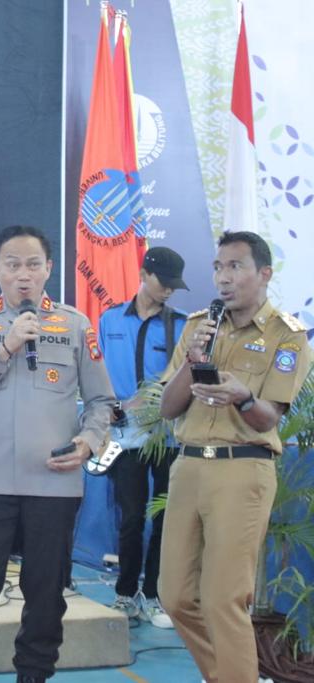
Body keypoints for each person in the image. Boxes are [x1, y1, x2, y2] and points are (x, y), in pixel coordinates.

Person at [0, 225, 115, 683]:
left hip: (53, 485)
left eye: (34, 264)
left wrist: (88, 442)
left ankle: (34, 675)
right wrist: (6, 348)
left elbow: (102, 401)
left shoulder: (75, 325)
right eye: (13, 265)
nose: (24, 275)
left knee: (45, 598)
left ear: (49, 269)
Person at [157, 231, 311, 683]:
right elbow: (168, 408)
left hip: (242, 469)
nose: (223, 278)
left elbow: (267, 419)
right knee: (175, 596)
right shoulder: (198, 326)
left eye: (235, 267)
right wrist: (193, 360)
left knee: (224, 599)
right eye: (218, 267)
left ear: (264, 274)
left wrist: (243, 397)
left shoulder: (286, 336)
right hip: (188, 466)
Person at [97, 246, 188, 628]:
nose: (167, 290)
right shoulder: (109, 319)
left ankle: (154, 596)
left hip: (167, 435)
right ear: (143, 274)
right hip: (123, 436)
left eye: (173, 285)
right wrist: (106, 409)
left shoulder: (182, 325)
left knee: (165, 517)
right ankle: (125, 593)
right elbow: (98, 372)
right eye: (162, 282)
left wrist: (154, 401)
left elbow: (185, 378)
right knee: (131, 517)